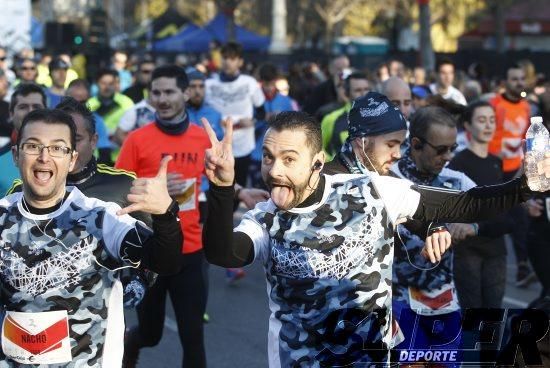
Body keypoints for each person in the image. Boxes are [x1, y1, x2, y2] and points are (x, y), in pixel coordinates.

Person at [201, 109, 549, 367]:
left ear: (317, 163)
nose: (274, 170)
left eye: (289, 159)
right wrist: (220, 188)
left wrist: (523, 187)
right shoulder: (265, 218)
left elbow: (463, 206)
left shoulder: (372, 192)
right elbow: (224, 254)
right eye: (268, 157)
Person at [0, 108, 182, 366]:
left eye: (57, 148)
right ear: (16, 155)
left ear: (72, 160)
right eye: (33, 146)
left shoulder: (101, 216)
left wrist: (166, 215)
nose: (44, 157)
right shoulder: (3, 215)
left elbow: (165, 262)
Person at [6, 96, 155, 308]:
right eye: (59, 141)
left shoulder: (123, 185)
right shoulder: (21, 191)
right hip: (33, 318)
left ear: (93, 141)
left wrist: (140, 279)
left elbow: (154, 248)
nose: (67, 148)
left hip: (96, 318)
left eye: (75, 139)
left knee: (151, 333)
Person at [119, 65, 209, 368]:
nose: (162, 99)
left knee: (193, 336)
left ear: (185, 92)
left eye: (169, 91)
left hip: (191, 250)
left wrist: (239, 192)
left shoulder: (201, 138)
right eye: (156, 92)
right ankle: (131, 342)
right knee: (151, 334)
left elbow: (218, 182)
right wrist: (151, 189)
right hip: (150, 252)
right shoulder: (137, 139)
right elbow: (118, 192)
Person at [447, 101, 513, 309]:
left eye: (492, 120)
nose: (488, 126)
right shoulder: (458, 163)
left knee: (493, 312)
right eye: (482, 120)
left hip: (496, 248)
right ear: (467, 125)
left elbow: (502, 205)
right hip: (469, 251)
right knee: (472, 313)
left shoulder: (497, 161)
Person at [489, 63, 533, 287]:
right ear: (506, 82)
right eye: (514, 79)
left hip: (517, 170)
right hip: (496, 170)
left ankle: (523, 265)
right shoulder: (494, 104)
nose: (519, 83)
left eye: (521, 79)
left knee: (520, 218)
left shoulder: (526, 107)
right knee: (497, 218)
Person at [204, 41, 265, 187]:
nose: (227, 62)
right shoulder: (209, 84)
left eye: (232, 58)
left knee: (239, 187)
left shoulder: (250, 83)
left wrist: (253, 122)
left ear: (240, 61)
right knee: (217, 186)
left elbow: (261, 112)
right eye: (225, 58)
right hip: (216, 145)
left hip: (243, 145)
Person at [0, 83, 46, 195]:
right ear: (11, 113)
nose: (30, 111)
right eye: (23, 107)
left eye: (36, 107)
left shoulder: (63, 155)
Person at [321, 72, 369, 159]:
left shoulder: (381, 118)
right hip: (340, 171)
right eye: (358, 90)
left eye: (366, 89)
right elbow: (318, 147)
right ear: (347, 93)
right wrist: (332, 163)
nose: (363, 94)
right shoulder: (331, 119)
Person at [67, 79, 113, 164]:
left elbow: (105, 152)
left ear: (89, 99)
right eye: (73, 102)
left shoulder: (96, 120)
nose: (77, 106)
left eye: (82, 102)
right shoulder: (55, 119)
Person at [87, 69, 135, 138]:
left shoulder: (126, 102)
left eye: (111, 84)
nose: (107, 87)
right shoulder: (89, 104)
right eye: (103, 83)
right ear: (97, 84)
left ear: (115, 84)